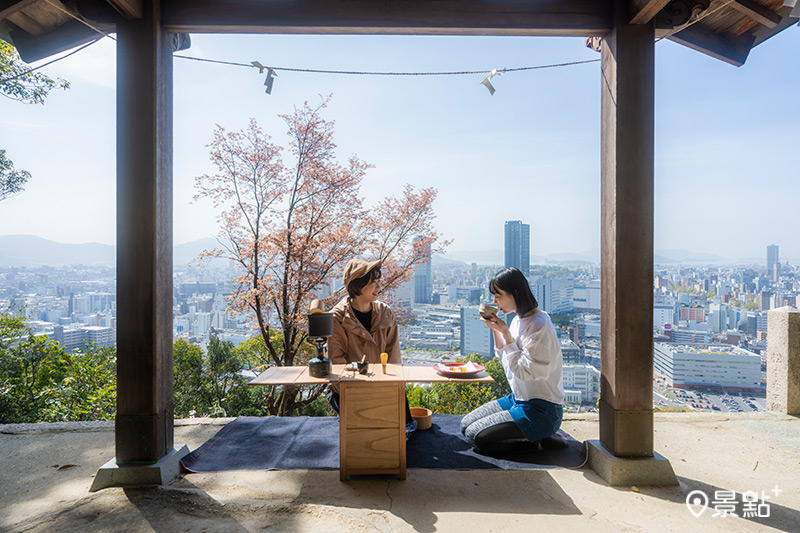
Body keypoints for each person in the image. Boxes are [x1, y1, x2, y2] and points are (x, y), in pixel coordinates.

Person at [461, 267, 565, 454]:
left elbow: (525, 372)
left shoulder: (539, 325)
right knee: (465, 425)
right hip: (518, 398)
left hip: (542, 409)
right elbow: (507, 361)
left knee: (475, 437)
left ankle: (539, 442)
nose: (495, 302)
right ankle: (532, 435)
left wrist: (506, 333)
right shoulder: (517, 319)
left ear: (515, 293)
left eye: (498, 296)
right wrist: (495, 329)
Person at [326, 258, 410, 424]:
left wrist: (392, 391)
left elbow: (394, 359)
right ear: (357, 285)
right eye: (373, 282)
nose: (379, 287)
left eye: (378, 282)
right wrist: (364, 396)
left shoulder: (385, 312)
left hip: (384, 386)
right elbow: (336, 366)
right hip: (346, 390)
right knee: (365, 428)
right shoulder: (337, 318)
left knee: (402, 431)